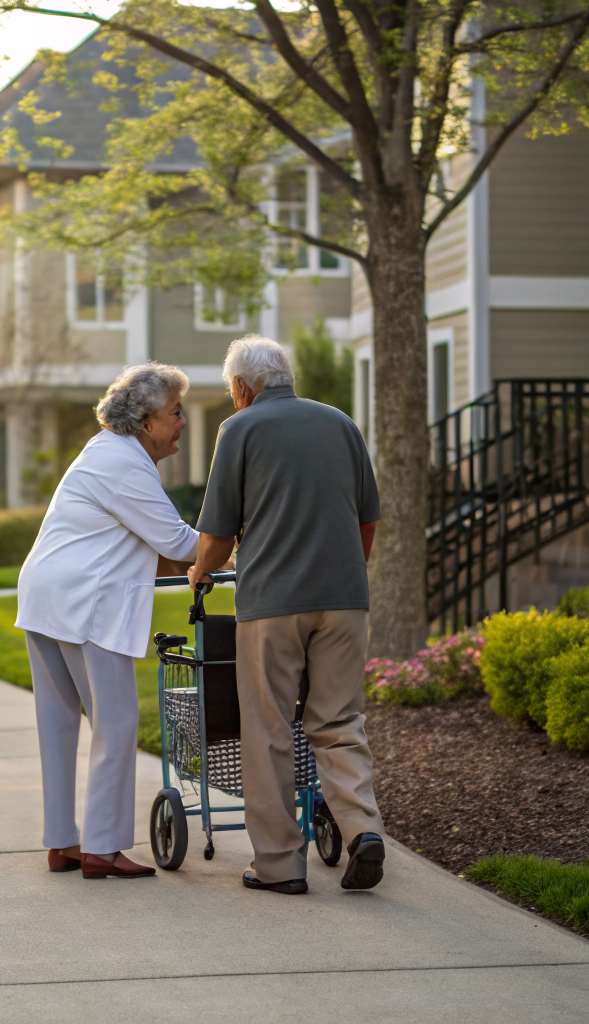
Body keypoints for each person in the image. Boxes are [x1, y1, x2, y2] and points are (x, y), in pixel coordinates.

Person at [189, 335, 385, 894]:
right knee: (339, 721)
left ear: (242, 387)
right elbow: (367, 519)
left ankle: (278, 865)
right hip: (345, 600)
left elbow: (220, 534)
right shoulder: (342, 424)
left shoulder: (240, 429)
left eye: (231, 389)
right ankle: (363, 830)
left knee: (270, 726)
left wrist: (201, 570)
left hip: (273, 604)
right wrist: (348, 574)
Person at [17, 362, 200, 880]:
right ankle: (103, 847)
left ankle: (63, 843)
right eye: (175, 413)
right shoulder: (125, 461)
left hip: (46, 597)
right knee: (116, 722)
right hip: (84, 604)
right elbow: (178, 542)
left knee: (57, 723)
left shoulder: (103, 453)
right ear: (145, 421)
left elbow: (140, 539)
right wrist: (236, 550)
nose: (181, 422)